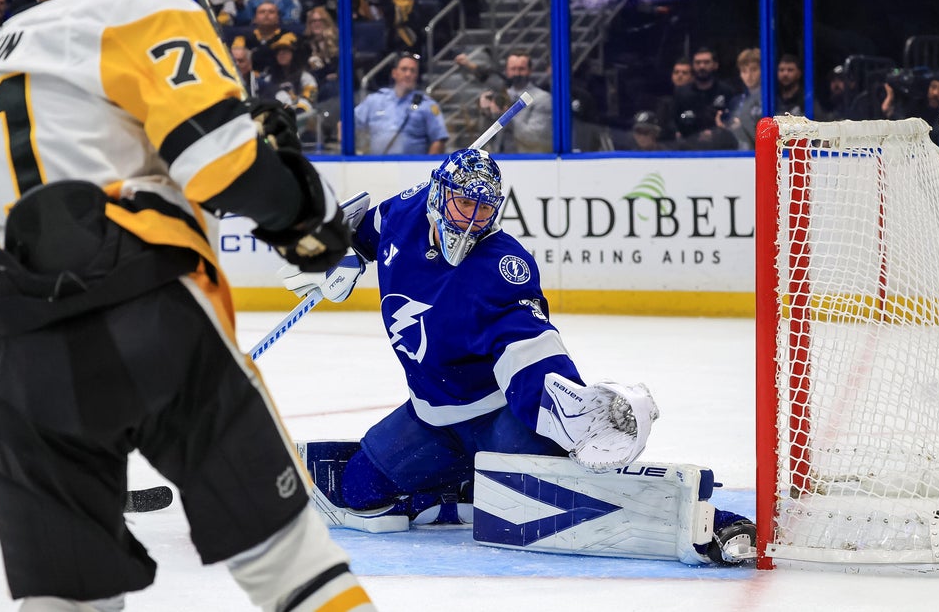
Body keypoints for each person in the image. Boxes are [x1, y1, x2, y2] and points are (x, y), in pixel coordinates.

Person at [0, 0, 377, 610]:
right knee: (292, 568)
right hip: (143, 312)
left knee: (66, 602)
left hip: (17, 361)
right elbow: (221, 167)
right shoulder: (136, 5)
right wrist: (310, 212)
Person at [280, 148, 756, 566]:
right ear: (436, 195)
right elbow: (364, 225)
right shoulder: (405, 212)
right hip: (429, 417)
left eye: (484, 209)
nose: (471, 220)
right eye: (464, 203)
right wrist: (333, 251)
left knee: (576, 488)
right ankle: (460, 489)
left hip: (499, 419)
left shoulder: (501, 267)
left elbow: (528, 347)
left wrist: (566, 407)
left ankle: (713, 521)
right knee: (361, 491)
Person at [353, 52, 447, 154]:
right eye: (404, 69)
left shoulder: (427, 105)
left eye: (413, 71)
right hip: (377, 167)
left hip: (414, 167)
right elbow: (348, 123)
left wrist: (428, 167)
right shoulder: (375, 101)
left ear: (416, 75)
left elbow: (439, 139)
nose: (408, 74)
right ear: (394, 73)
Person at [477, 50, 551, 153]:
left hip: (529, 161)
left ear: (530, 70)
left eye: (521, 69)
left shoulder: (543, 98)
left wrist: (506, 116)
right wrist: (486, 113)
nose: (517, 73)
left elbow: (534, 139)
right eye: (513, 69)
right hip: (500, 159)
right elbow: (484, 137)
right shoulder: (499, 96)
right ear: (507, 71)